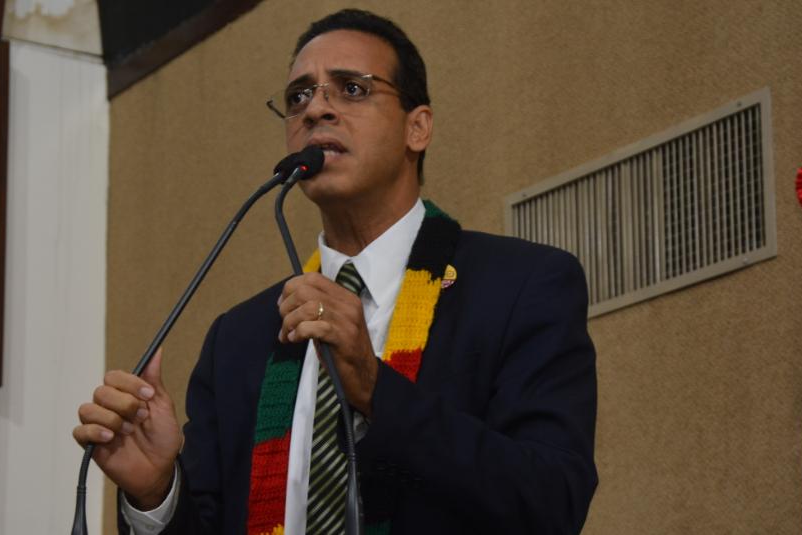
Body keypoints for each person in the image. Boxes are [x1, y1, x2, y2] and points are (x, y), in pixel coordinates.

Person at [74, 9, 598, 534]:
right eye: (298, 96)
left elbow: (552, 501)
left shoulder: (521, 287)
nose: (316, 108)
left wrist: (376, 391)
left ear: (417, 127)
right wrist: (157, 493)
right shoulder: (238, 338)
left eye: (351, 88)